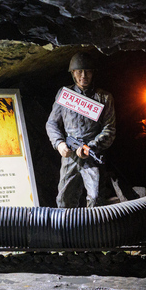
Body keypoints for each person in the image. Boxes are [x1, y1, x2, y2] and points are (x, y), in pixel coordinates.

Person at [46, 51, 116, 208]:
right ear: (73, 73)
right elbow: (52, 123)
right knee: (64, 199)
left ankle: (93, 231)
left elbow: (109, 129)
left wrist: (91, 147)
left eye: (88, 71)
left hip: (91, 154)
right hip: (70, 155)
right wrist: (59, 144)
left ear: (93, 73)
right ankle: (66, 230)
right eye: (79, 71)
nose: (83, 75)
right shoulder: (65, 95)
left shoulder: (104, 97)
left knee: (96, 198)